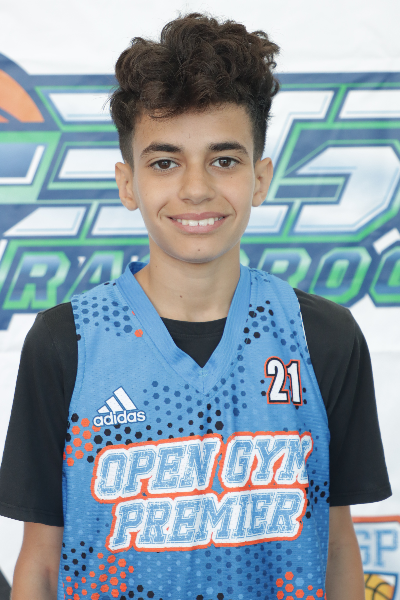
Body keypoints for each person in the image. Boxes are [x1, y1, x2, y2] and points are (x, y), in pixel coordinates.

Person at [0, 13, 391, 600]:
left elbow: (336, 545)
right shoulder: (67, 341)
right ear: (127, 183)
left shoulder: (321, 336)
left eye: (223, 160)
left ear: (260, 178)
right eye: (165, 162)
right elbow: (41, 563)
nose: (196, 189)